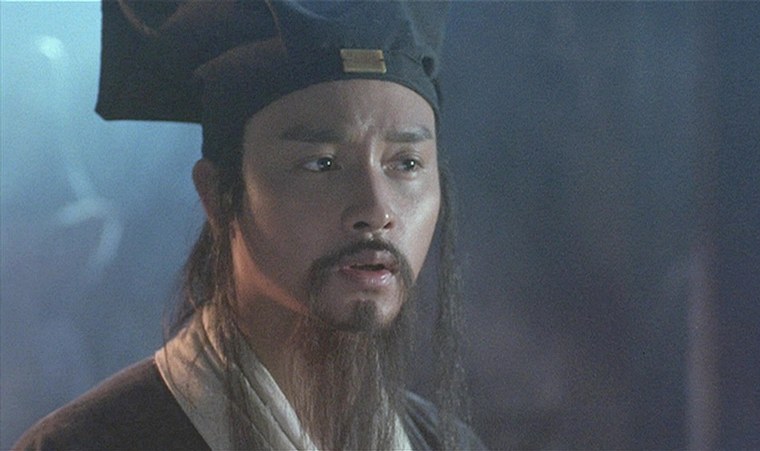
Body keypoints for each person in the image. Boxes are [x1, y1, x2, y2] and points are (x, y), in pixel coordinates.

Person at [14, 1, 484, 449]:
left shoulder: (446, 442)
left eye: (406, 164)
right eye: (321, 163)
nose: (376, 210)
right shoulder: (85, 444)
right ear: (219, 195)